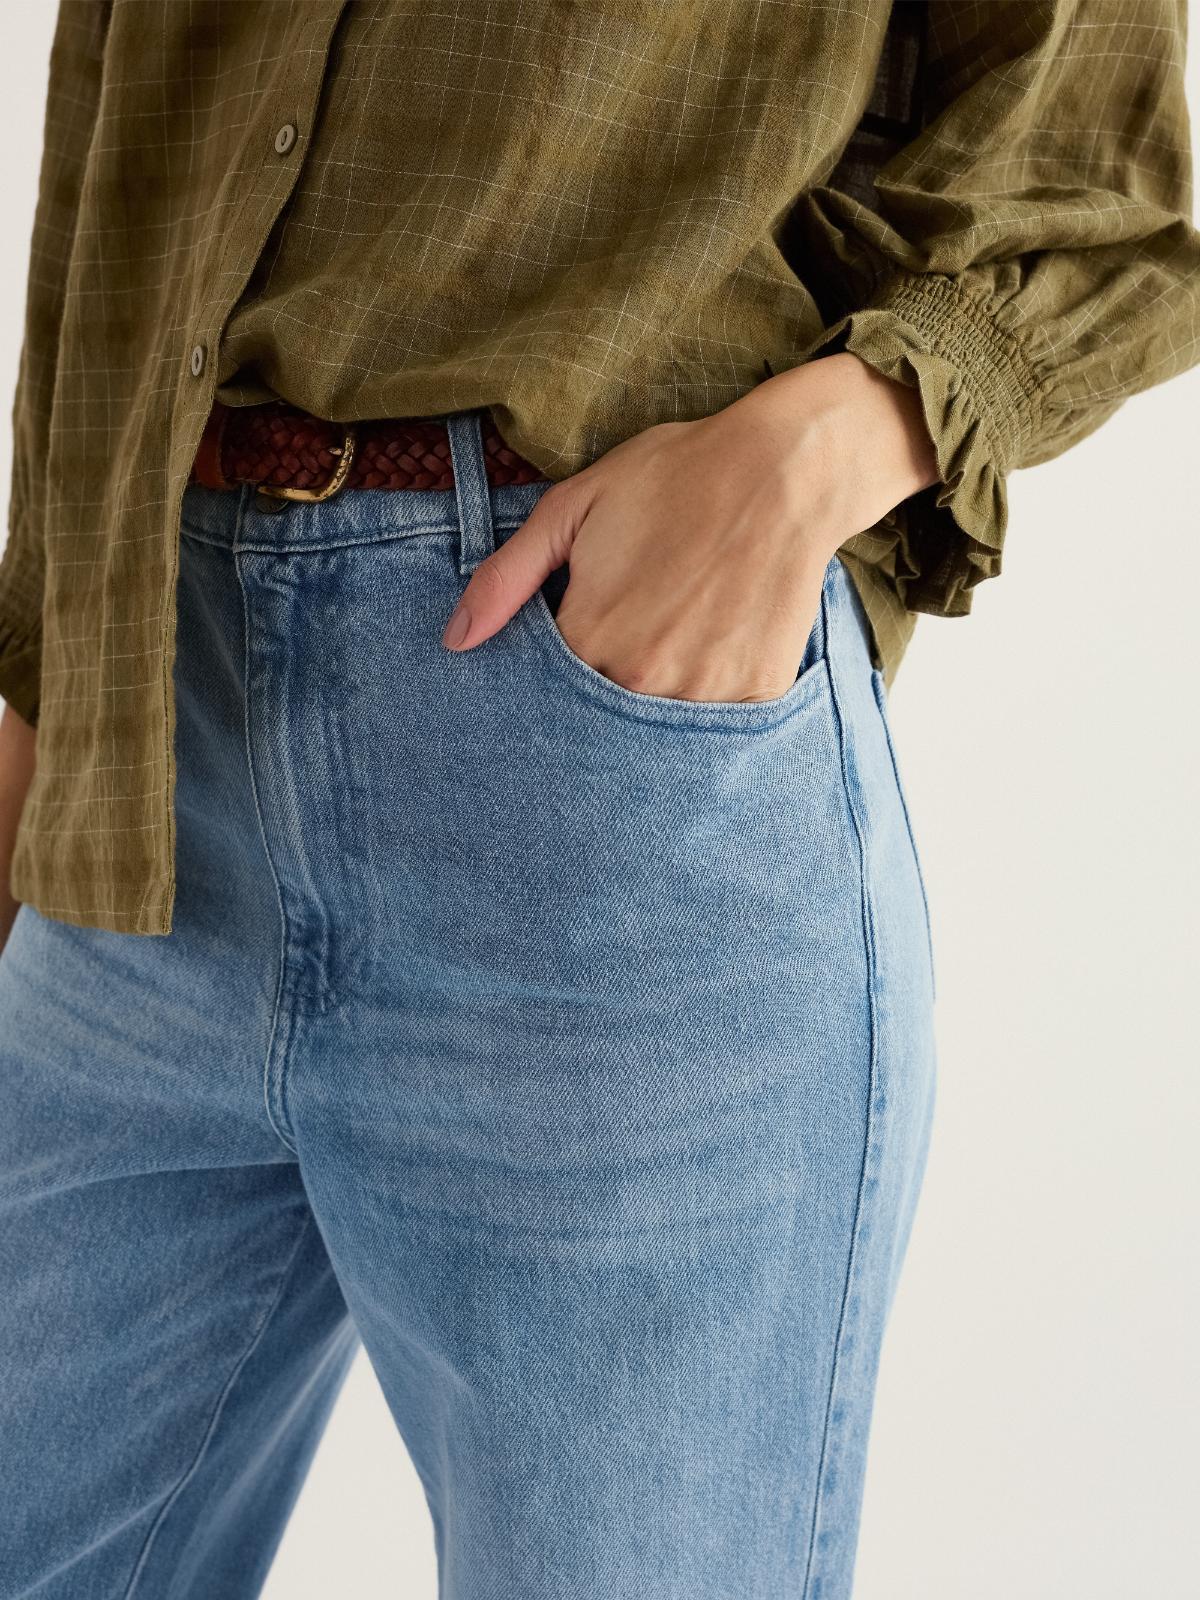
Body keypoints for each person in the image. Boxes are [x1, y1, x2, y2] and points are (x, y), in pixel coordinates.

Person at [0, 3, 1195, 1596]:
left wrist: (813, 455)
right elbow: (115, 140)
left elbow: (1097, 158)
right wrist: (39, 696)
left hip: (598, 783)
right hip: (142, 762)